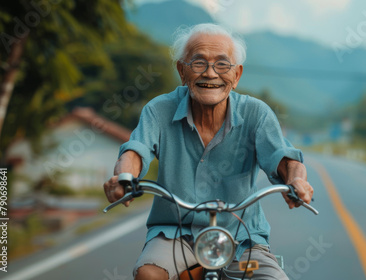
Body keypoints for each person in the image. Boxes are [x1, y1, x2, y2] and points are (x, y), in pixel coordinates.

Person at [103, 23, 314, 280]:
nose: (210, 74)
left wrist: (296, 181)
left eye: (222, 64)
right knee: (149, 275)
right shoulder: (158, 110)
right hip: (174, 235)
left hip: (241, 238)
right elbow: (135, 151)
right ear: (182, 71)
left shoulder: (256, 114)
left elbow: (284, 157)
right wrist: (124, 178)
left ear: (236, 76)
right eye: (199, 63)